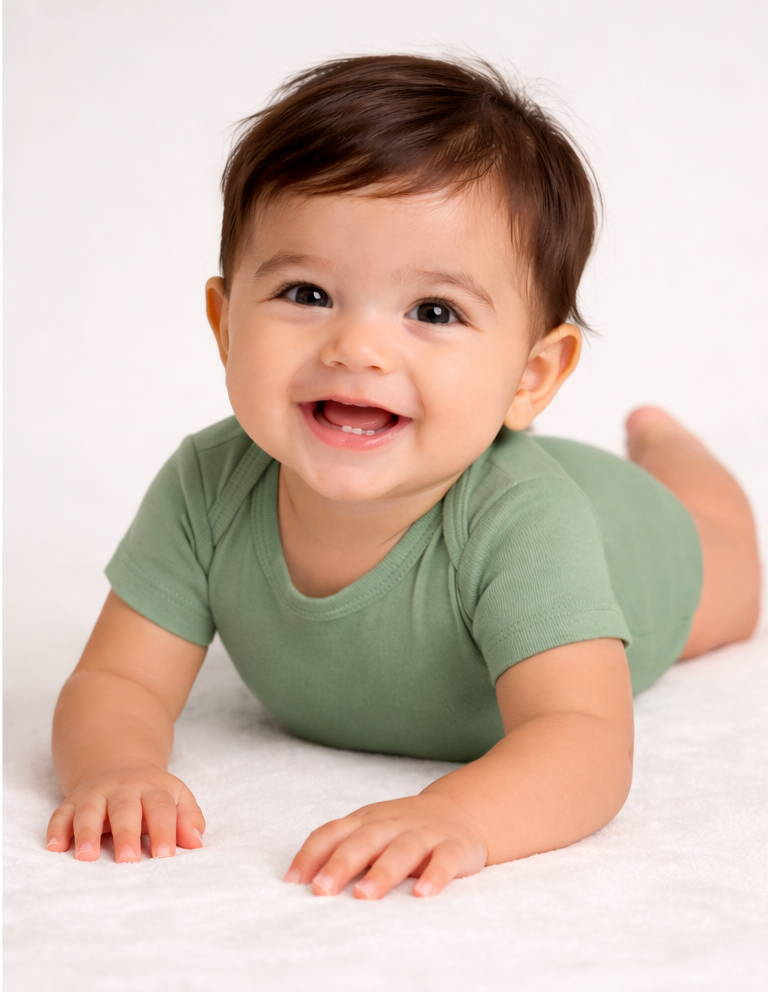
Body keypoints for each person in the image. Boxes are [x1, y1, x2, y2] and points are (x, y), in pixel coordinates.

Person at [45, 55, 760, 900]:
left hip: (637, 541)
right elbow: (118, 679)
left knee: (735, 579)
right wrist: (117, 768)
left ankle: (671, 446)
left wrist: (459, 815)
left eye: (433, 312)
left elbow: (585, 736)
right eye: (307, 292)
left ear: (531, 377)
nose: (357, 348)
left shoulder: (524, 524)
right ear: (224, 322)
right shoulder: (207, 485)